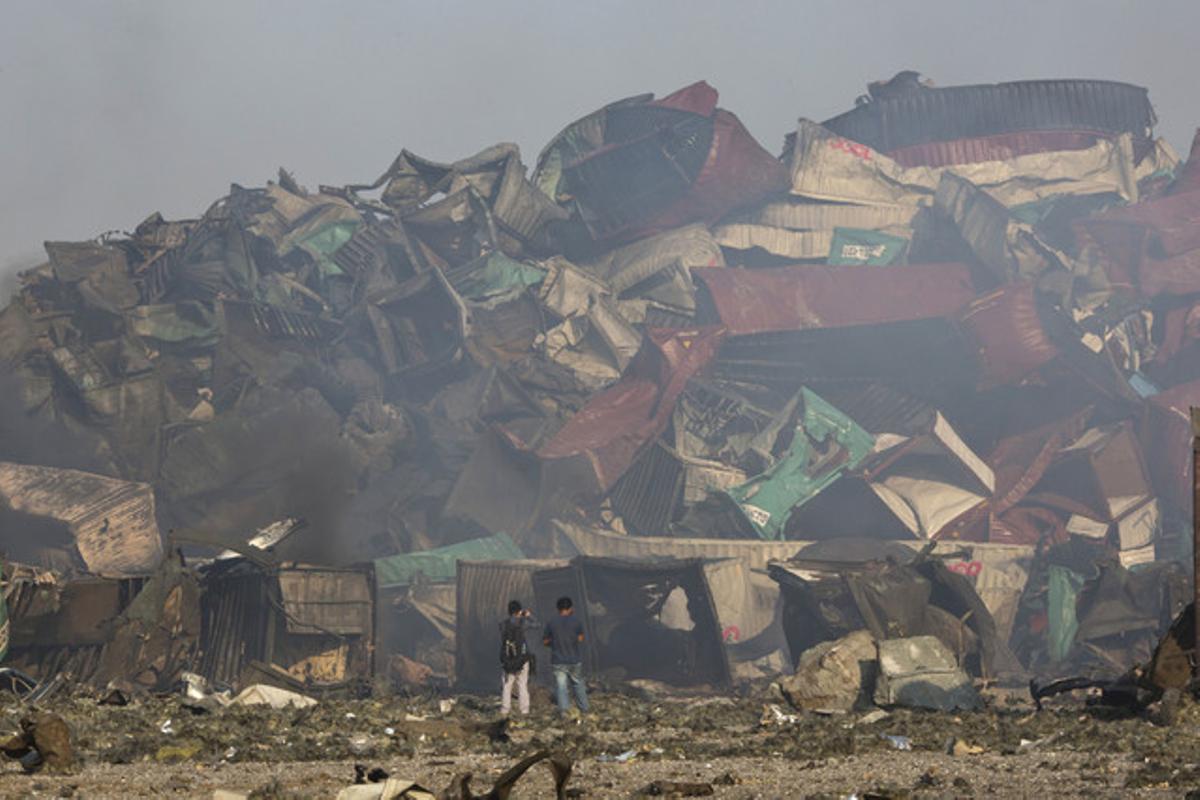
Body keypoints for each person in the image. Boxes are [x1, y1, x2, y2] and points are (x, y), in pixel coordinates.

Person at [542, 596, 588, 717]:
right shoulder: (576, 621)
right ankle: (584, 709)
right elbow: (581, 638)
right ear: (571, 608)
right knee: (578, 683)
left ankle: (564, 712)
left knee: (561, 686)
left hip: (558, 660)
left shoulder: (551, 622)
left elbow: (545, 642)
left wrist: (555, 642)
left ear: (558, 608)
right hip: (574, 659)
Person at [499, 600, 534, 716]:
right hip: (522, 659)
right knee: (522, 684)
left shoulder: (503, 624)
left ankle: (504, 710)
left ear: (508, 611)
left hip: (508, 659)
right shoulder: (523, 623)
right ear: (519, 611)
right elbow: (537, 625)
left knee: (507, 685)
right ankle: (524, 710)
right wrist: (528, 616)